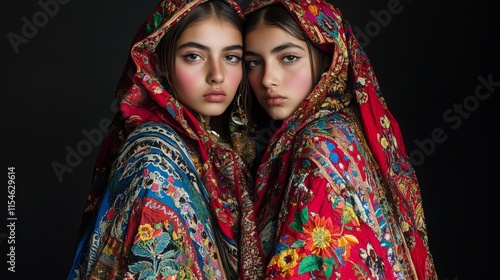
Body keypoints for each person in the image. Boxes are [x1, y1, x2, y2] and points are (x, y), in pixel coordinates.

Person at [67, 0, 264, 279]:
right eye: (194, 56)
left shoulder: (222, 148)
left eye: (231, 57)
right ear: (159, 63)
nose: (217, 75)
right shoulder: (154, 162)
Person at [243, 0, 437, 279]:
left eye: (288, 58)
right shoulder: (346, 125)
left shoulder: (317, 144)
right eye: (254, 63)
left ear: (328, 58)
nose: (267, 79)